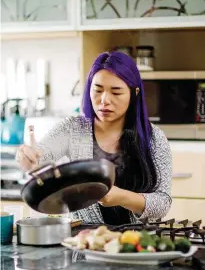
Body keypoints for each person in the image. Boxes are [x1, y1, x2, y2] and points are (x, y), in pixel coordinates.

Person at [16, 51, 172, 225]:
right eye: (97, 90)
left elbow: (163, 203)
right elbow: (40, 155)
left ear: (134, 93)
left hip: (139, 244)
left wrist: (121, 197)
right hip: (85, 243)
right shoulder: (73, 129)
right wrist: (27, 156)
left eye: (116, 92)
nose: (104, 100)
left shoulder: (153, 138)